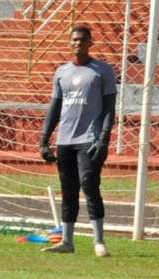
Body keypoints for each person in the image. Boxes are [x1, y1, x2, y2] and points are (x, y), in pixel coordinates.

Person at [39, 24, 117, 257]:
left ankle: (99, 242)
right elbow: (54, 108)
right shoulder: (61, 72)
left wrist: (103, 138)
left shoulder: (102, 71)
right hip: (65, 140)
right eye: (74, 39)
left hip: (90, 139)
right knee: (68, 189)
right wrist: (44, 139)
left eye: (83, 39)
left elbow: (109, 109)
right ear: (69, 42)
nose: (78, 43)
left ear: (90, 42)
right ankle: (67, 241)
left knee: (89, 184)